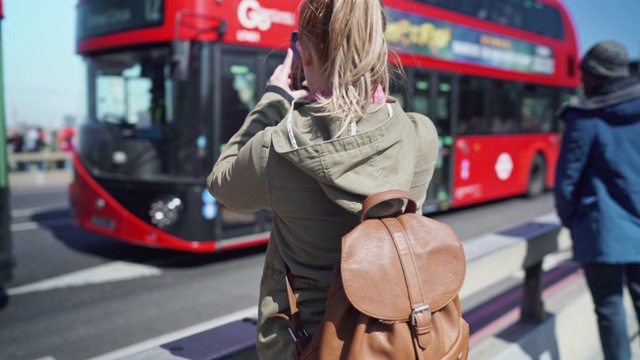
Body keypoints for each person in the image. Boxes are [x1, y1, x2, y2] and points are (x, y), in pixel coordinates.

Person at [207, 0, 439, 358]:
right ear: (378, 51)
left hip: (307, 345)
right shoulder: (421, 134)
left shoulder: (278, 148)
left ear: (305, 56)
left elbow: (222, 182)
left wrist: (274, 100)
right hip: (398, 341)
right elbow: (375, 127)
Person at [554, 40, 640, 360]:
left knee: (609, 308)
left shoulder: (586, 116)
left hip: (601, 228)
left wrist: (570, 219)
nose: (581, 81)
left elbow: (567, 182)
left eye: (585, 74)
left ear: (598, 76)